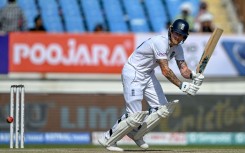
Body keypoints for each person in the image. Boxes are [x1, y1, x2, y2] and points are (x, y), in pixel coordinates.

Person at [98, 19, 204, 151]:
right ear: (171, 31)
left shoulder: (178, 48)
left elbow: (184, 70)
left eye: (181, 35)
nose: (177, 37)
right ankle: (107, 139)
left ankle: (136, 134)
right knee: (134, 116)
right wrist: (182, 86)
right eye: (176, 33)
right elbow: (165, 71)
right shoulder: (160, 42)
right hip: (133, 72)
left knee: (162, 109)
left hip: (148, 74)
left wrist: (194, 75)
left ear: (185, 37)